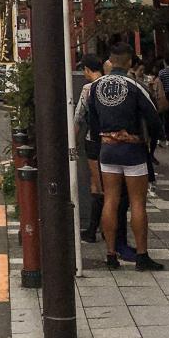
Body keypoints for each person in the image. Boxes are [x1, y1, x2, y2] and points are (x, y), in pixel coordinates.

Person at [88, 40, 164, 271]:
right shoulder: (135, 85)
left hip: (107, 148)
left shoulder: (96, 86)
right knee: (138, 202)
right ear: (130, 61)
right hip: (131, 148)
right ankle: (141, 256)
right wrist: (148, 140)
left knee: (110, 199)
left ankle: (111, 255)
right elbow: (153, 118)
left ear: (110, 60)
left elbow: (93, 121)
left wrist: (102, 137)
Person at [74, 54, 104, 243]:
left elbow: (78, 117)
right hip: (113, 140)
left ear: (86, 69)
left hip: (93, 140)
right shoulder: (111, 84)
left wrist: (72, 142)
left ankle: (92, 229)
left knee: (97, 184)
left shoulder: (88, 88)